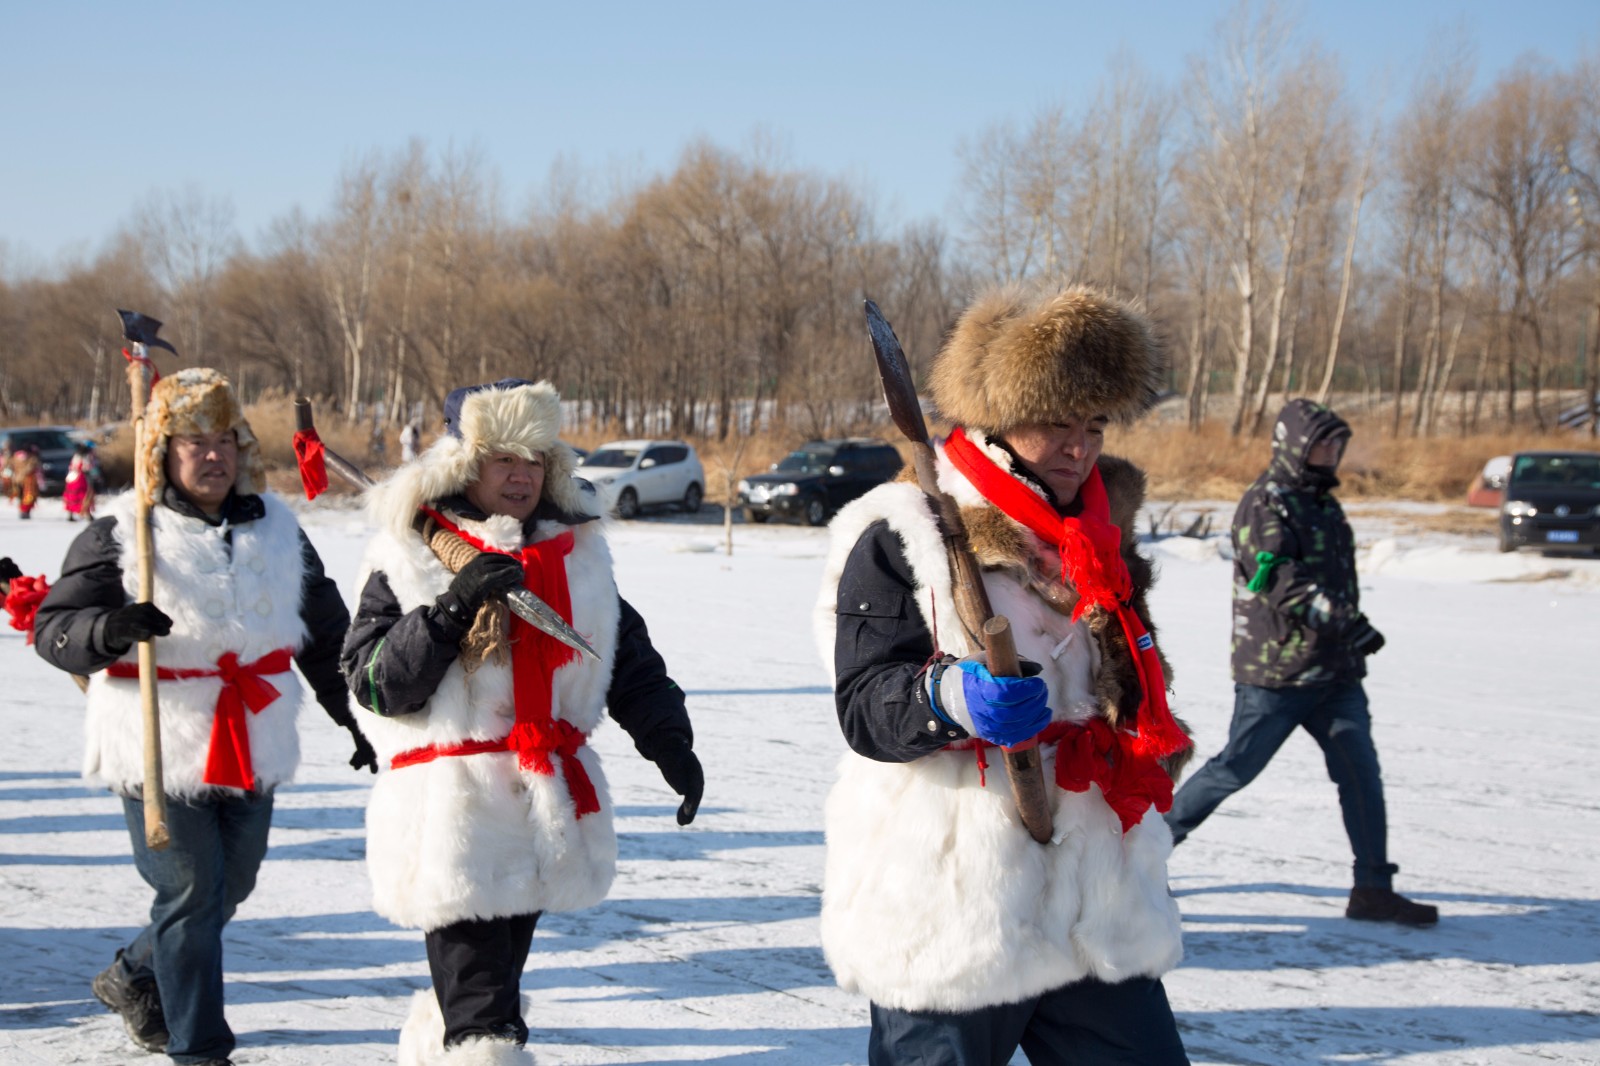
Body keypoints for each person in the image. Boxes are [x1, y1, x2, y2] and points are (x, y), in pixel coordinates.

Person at [816, 285, 1193, 1066]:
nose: (1079, 447)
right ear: (1000, 415)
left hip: (1091, 885)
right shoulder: (904, 530)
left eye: (1093, 426)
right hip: (957, 897)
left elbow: (1130, 675)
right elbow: (865, 704)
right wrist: (952, 697)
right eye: (1057, 423)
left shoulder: (1099, 539)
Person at [340, 377, 704, 1065]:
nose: (521, 475)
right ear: (464, 465)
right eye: (504, 458)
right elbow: (375, 684)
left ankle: (443, 1043)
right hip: (452, 814)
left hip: (541, 802)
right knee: (488, 1019)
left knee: (495, 985)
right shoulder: (409, 553)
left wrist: (670, 742)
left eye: (535, 459)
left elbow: (628, 661)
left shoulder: (577, 553)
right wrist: (448, 613)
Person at [34, 367, 378, 1066]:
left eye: (224, 439)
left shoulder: (280, 531)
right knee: (192, 888)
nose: (213, 455)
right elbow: (53, 627)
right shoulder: (123, 533)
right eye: (195, 442)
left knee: (231, 883)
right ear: (163, 450)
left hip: (253, 736)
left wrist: (357, 719)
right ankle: (201, 1049)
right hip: (158, 740)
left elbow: (324, 632)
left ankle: (133, 972)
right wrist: (110, 626)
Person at [1163, 399, 1438, 927]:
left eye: (1337, 444)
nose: (1330, 453)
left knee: (1361, 776)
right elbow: (1278, 580)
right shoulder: (1266, 503)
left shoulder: (1323, 503)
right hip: (1278, 672)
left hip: (1335, 673)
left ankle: (1373, 888)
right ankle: (1144, 859)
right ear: (1293, 445)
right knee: (1233, 771)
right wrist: (1344, 621)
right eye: (1320, 443)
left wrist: (1344, 635)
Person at [64, 440, 100, 522]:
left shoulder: (76, 455)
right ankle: (87, 514)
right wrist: (97, 476)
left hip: (72, 477)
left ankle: (70, 513)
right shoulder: (87, 456)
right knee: (85, 495)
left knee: (72, 496)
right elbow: (89, 467)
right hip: (82, 478)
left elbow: (71, 466)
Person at [10, 442, 42, 518]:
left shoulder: (15, 457)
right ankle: (25, 511)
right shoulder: (32, 458)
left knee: (21, 496)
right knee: (28, 496)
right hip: (28, 480)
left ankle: (22, 510)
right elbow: (31, 468)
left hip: (17, 479)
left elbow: (11, 466)